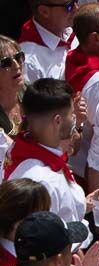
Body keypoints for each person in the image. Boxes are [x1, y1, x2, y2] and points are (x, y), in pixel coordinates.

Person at [3, 79, 87, 226]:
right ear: (58, 121)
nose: (74, 119)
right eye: (71, 114)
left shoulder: (27, 151)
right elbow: (39, 243)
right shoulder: (42, 181)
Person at [18, 0, 76, 83]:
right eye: (69, 5)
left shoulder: (74, 30)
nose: (76, 8)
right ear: (44, 11)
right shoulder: (29, 63)